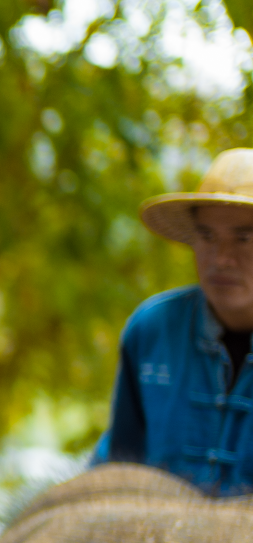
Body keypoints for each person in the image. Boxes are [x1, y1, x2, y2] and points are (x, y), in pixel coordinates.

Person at [93, 147, 253, 494]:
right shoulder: (153, 329)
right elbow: (119, 462)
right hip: (155, 540)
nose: (222, 258)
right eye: (207, 236)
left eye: (244, 238)